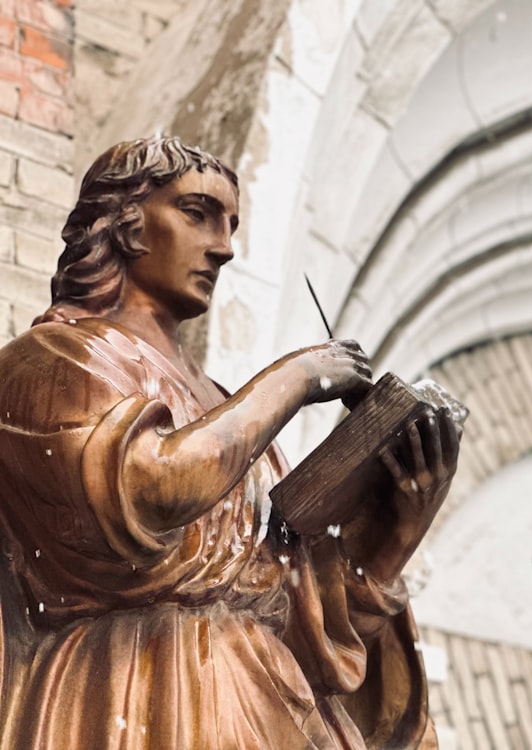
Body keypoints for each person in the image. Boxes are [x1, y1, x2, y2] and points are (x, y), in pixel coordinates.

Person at [0, 137, 458, 749]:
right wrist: (298, 378)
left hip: (267, 698)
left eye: (231, 224)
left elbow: (297, 605)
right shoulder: (54, 361)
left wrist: (398, 527)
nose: (223, 247)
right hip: (137, 693)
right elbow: (147, 493)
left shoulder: (226, 409)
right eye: (197, 214)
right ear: (126, 224)